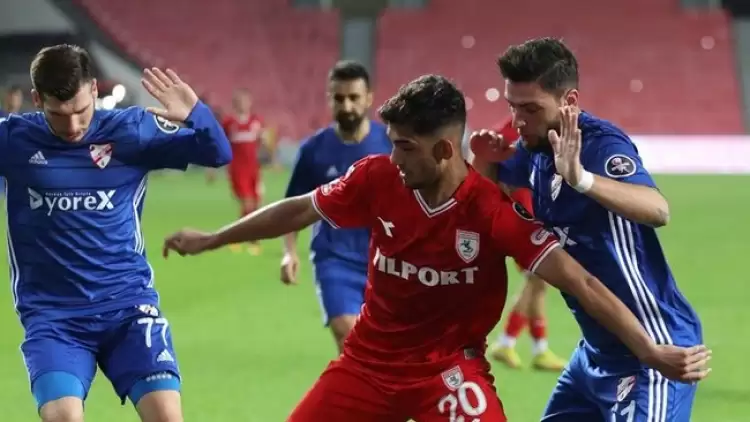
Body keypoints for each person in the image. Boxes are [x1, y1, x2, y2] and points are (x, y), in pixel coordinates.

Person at [163, 74, 710, 422]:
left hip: (449, 373)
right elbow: (300, 208)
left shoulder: (492, 213)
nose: (393, 158)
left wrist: (648, 351)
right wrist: (214, 239)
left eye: (405, 147)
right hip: (366, 367)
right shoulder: (375, 178)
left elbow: (581, 281)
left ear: (446, 150)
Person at [470, 37, 706, 421]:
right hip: (594, 352)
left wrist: (582, 179)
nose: (517, 121)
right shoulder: (535, 149)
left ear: (569, 101)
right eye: (513, 106)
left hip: (653, 349)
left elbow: (657, 209)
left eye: (530, 108)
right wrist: (483, 160)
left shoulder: (599, 144)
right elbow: (482, 204)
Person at [0, 44, 231, 422]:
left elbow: (218, 153)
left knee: (167, 416)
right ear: (37, 99)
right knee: (63, 417)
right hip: (54, 317)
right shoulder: (13, 140)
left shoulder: (131, 131)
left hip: (127, 308)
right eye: (58, 115)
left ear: (94, 90)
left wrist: (196, 114)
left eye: (81, 111)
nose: (73, 127)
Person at [281, 60, 392, 353]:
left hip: (387, 262)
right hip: (334, 258)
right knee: (349, 334)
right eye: (339, 98)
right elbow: (291, 208)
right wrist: (289, 252)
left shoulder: (392, 145)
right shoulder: (313, 150)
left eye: (354, 98)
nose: (347, 106)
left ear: (369, 98)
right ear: (329, 99)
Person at [487, 116, 566, 371]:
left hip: (522, 214)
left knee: (538, 283)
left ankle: (539, 349)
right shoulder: (523, 134)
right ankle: (506, 342)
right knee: (537, 278)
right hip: (525, 218)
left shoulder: (506, 133)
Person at [222, 88, 265, 255]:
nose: (243, 104)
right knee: (247, 204)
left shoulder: (256, 121)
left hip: (254, 169)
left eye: (246, 101)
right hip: (238, 170)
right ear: (235, 104)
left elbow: (262, 142)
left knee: (256, 205)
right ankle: (251, 240)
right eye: (240, 101)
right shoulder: (229, 123)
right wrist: (214, 167)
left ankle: (237, 237)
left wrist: (272, 159)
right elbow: (220, 144)